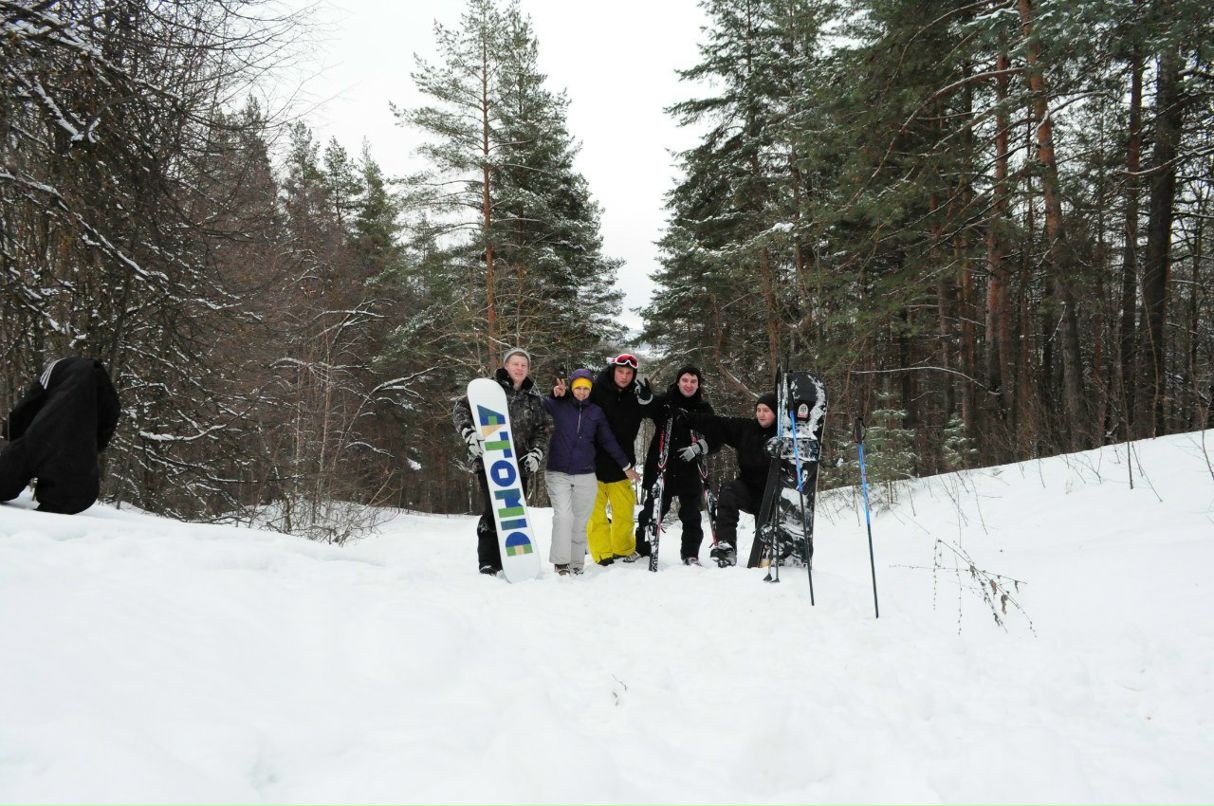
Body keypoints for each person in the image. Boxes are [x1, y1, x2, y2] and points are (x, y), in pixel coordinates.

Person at [453, 347, 553, 576]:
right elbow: (460, 409)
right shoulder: (487, 391)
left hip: (520, 463)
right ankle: (489, 560)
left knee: (514, 512)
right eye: (515, 364)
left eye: (524, 365)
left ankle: (514, 557)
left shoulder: (533, 399)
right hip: (491, 460)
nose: (519, 368)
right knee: (493, 510)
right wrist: (468, 433)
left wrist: (537, 452)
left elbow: (543, 429)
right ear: (506, 365)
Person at [544, 369, 639, 575]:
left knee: (580, 520)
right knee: (564, 517)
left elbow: (608, 441)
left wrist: (626, 467)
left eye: (586, 388)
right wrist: (554, 395)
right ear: (571, 387)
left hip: (586, 473)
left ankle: (577, 564)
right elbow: (542, 406)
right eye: (577, 387)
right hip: (558, 471)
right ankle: (561, 563)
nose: (581, 392)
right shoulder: (559, 405)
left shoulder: (595, 412)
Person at [0, 357, 121, 514]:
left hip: (40, 440)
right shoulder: (105, 386)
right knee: (59, 505)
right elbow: (112, 413)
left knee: (11, 472)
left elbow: (32, 400)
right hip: (78, 480)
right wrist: (92, 449)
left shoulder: (57, 366)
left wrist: (11, 431)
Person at [682, 392, 779, 568]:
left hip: (772, 494)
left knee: (764, 556)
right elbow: (717, 424)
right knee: (728, 491)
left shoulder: (783, 436)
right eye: (758, 409)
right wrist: (687, 417)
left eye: (766, 410)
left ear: (776, 413)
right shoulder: (747, 429)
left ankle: (766, 556)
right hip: (748, 489)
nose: (761, 414)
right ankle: (726, 547)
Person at [634, 365, 716, 565]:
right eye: (685, 380)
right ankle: (642, 547)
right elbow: (648, 408)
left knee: (691, 514)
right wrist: (645, 397)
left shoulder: (703, 408)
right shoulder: (665, 402)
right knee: (652, 510)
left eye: (693, 381)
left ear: (698, 385)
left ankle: (690, 554)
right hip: (662, 464)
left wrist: (699, 448)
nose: (689, 385)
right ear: (678, 381)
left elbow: (716, 436)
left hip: (689, 467)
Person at [584, 353, 654, 565]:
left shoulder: (636, 395)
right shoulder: (596, 390)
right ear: (613, 370)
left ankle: (622, 550)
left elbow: (654, 412)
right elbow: (573, 402)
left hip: (623, 464)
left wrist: (648, 400)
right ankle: (602, 555)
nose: (624, 377)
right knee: (596, 516)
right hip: (593, 463)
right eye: (620, 372)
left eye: (629, 373)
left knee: (624, 513)